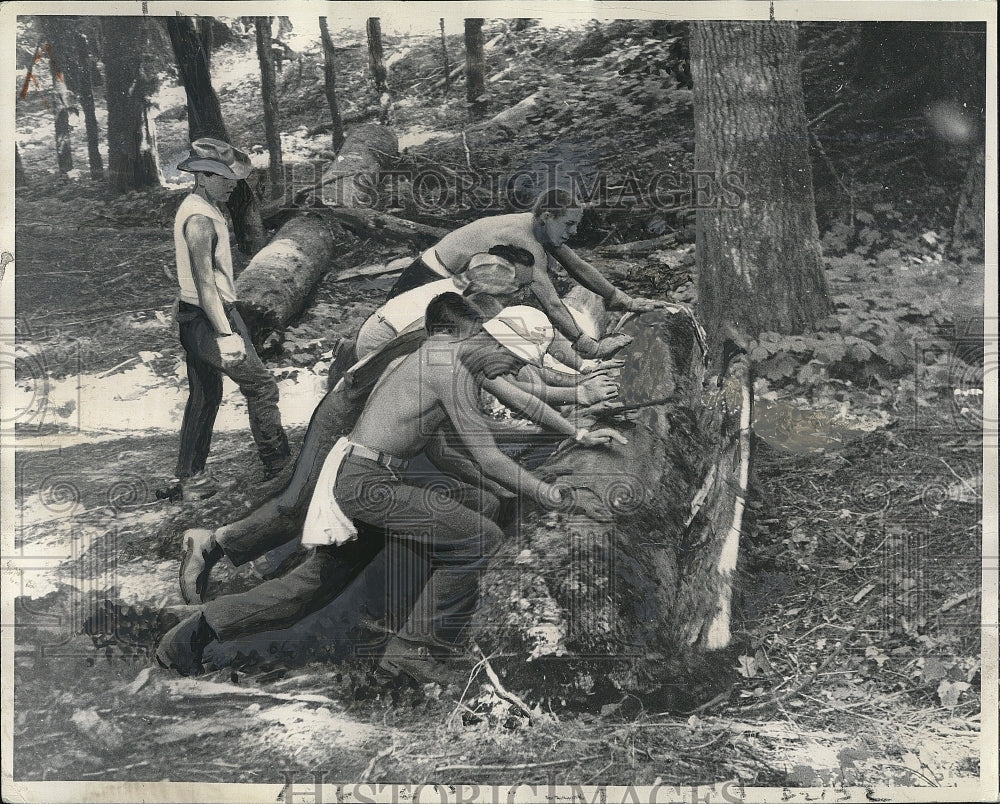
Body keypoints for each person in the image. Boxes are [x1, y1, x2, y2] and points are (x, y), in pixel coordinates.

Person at [156, 294, 623, 683]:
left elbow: (463, 442)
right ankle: (411, 652)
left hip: (365, 480)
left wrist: (576, 434)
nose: (508, 370)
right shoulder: (450, 366)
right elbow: (487, 455)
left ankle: (192, 635)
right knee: (479, 538)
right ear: (494, 341)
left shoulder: (444, 358)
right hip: (366, 484)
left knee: (311, 588)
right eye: (511, 360)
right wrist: (547, 494)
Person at [386, 188, 668, 359]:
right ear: (547, 217)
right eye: (569, 224)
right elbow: (553, 304)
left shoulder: (539, 229)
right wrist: (589, 347)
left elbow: (579, 266)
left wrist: (623, 300)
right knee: (411, 348)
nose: (574, 232)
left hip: (452, 280)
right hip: (426, 280)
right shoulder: (523, 239)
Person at [169, 138, 290, 501]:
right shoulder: (199, 219)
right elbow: (205, 283)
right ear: (203, 177)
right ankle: (279, 467)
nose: (232, 183)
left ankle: (191, 478)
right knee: (261, 386)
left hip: (200, 314)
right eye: (223, 177)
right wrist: (226, 333)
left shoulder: (205, 207)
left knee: (205, 395)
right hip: (209, 317)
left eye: (232, 176)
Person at [354, 246, 535, 360]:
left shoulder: (473, 290)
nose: (523, 295)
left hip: (395, 333)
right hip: (386, 337)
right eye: (519, 286)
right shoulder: (463, 298)